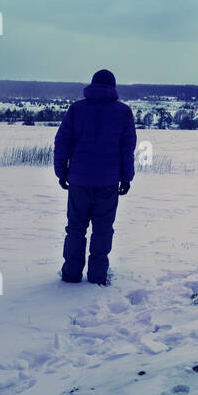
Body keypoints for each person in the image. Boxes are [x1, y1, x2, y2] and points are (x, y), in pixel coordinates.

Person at [53, 69, 136, 284]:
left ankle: (71, 274)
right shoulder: (123, 112)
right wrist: (127, 177)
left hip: (79, 181)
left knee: (75, 229)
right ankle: (97, 276)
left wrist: (61, 172)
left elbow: (62, 143)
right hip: (108, 182)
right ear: (113, 87)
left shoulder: (76, 110)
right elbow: (127, 148)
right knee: (103, 230)